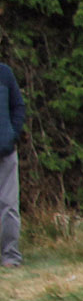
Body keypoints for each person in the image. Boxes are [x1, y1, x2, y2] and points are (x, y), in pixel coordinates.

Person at [0, 56, 21, 267]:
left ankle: (10, 256)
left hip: (6, 152)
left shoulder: (5, 73)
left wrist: (12, 135)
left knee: (9, 206)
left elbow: (18, 106)